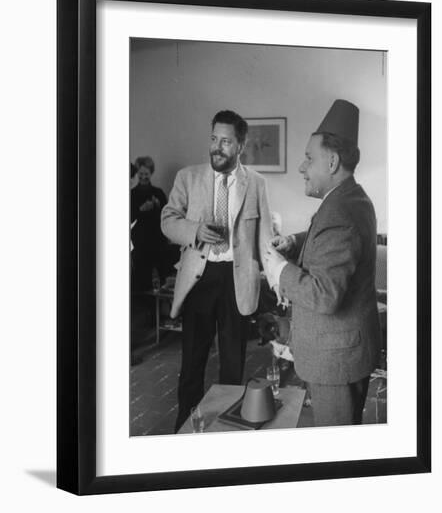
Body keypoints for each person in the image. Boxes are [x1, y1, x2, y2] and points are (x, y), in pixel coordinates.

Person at [265, 99, 381, 427]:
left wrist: (278, 269)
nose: (302, 167)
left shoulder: (339, 212)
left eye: (308, 158)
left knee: (336, 452)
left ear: (331, 162)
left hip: (336, 362)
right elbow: (329, 238)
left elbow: (325, 296)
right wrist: (294, 242)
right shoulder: (350, 198)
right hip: (345, 351)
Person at [161, 109, 273, 431]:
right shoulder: (188, 177)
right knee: (192, 362)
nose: (217, 147)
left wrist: (277, 273)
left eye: (225, 142)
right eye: (213, 139)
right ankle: (183, 428)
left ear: (241, 145)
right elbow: (168, 220)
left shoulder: (257, 184)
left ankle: (228, 430)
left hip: (238, 282)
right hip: (200, 277)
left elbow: (264, 235)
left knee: (233, 364)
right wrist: (195, 230)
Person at [130, 156, 168, 292]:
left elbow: (168, 217)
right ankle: (144, 311)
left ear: (151, 173)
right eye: (140, 174)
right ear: (136, 174)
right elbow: (128, 219)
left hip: (158, 243)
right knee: (141, 280)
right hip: (139, 245)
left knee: (162, 279)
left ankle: (158, 312)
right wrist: (141, 209)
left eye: (146, 174)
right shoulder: (131, 194)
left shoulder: (158, 193)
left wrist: (159, 206)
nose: (143, 177)